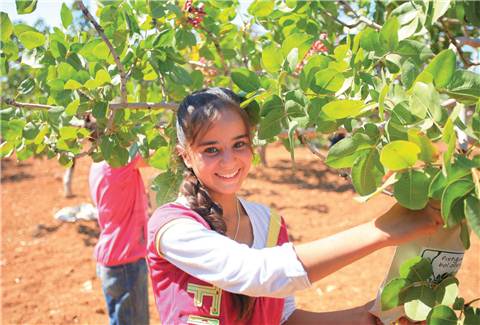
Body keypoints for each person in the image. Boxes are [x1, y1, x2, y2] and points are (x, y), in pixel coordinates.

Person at [146, 87, 442, 324]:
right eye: (211, 149)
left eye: (239, 144)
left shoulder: (269, 223)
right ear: (184, 155)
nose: (229, 161)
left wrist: (366, 317)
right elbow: (255, 273)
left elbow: (283, 317)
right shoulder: (173, 226)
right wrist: (382, 231)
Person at [89, 155, 150, 325]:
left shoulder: (98, 163)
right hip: (126, 263)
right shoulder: (118, 161)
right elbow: (161, 157)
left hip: (113, 260)